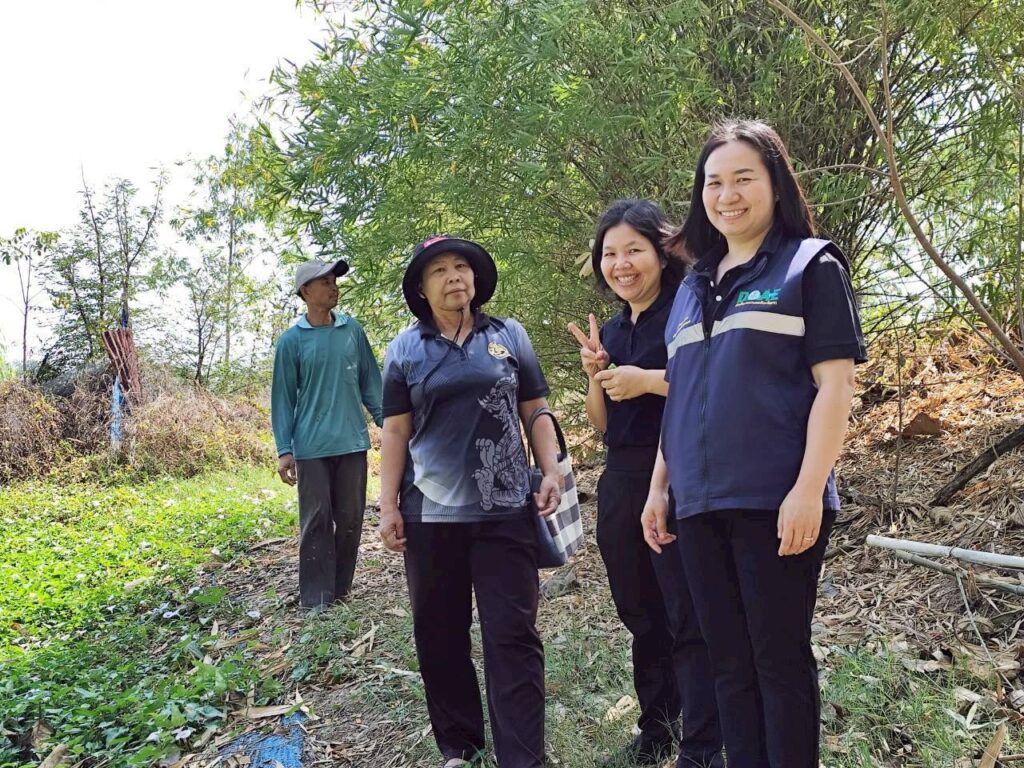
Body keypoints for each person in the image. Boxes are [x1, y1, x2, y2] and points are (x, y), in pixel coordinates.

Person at [642, 120, 867, 768]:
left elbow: (835, 387)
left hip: (775, 497)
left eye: (743, 178)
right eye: (714, 182)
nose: (727, 195)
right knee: (728, 664)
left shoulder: (810, 266)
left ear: (775, 183)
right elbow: (682, 395)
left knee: (777, 659)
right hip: (697, 503)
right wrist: (659, 488)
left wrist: (808, 489)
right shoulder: (691, 285)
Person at [377, 235, 562, 768]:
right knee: (439, 634)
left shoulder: (509, 335)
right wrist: (387, 505)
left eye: (462, 266)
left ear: (476, 278)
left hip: (506, 511)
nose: (454, 276)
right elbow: (395, 431)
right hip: (429, 514)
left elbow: (535, 409)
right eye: (439, 270)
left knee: (513, 634)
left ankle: (522, 757)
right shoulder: (404, 350)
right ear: (421, 288)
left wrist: (550, 470)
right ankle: (461, 746)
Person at [567, 200, 723, 768]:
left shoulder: (688, 309)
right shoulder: (613, 329)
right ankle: (657, 725)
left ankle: (703, 742)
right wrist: (597, 375)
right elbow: (603, 423)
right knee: (638, 608)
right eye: (610, 253)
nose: (621, 264)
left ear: (662, 253)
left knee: (686, 609)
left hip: (682, 473)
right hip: (623, 475)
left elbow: (713, 383)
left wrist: (648, 380)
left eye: (633, 249)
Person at [271, 257, 383, 609]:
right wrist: (284, 449)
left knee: (350, 519)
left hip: (351, 442)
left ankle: (340, 590)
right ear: (305, 291)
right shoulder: (291, 342)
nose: (334, 287)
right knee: (316, 520)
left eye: (335, 281)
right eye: (325, 282)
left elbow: (371, 382)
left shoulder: (352, 331)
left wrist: (390, 424)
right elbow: (283, 399)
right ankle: (316, 599)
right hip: (311, 446)